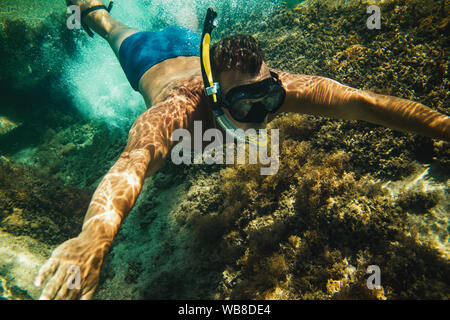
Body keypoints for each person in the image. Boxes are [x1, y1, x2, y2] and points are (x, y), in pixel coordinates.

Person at [34, 0, 449, 300]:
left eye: (267, 101)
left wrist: (445, 127)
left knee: (188, 17)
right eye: (245, 106)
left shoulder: (276, 89)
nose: (260, 118)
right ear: (216, 98)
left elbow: (366, 104)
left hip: (194, 45)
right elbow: (130, 167)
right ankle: (91, 7)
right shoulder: (176, 112)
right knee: (111, 29)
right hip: (147, 58)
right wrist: (94, 238)